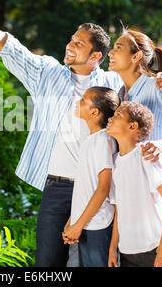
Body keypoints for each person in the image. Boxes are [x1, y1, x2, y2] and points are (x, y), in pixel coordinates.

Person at [0, 0, 162, 267]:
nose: (70, 46)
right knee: (47, 265)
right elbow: (6, 45)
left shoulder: (114, 83)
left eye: (79, 43)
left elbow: (140, 83)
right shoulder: (47, 72)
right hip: (57, 187)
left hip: (98, 189)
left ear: (96, 55)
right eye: (71, 40)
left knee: (97, 262)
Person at [107, 28, 162, 205]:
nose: (111, 52)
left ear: (136, 56)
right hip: (128, 187)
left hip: (156, 190)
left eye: (118, 47)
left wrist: (161, 145)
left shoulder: (159, 86)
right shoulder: (119, 94)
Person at [106, 101, 162, 267]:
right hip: (127, 250)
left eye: (117, 116)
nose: (110, 119)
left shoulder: (145, 154)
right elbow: (118, 208)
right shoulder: (114, 162)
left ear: (132, 126)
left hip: (153, 248)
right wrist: (113, 248)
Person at [61, 86, 119, 267]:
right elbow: (85, 187)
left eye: (83, 100)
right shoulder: (91, 140)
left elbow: (103, 189)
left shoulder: (103, 141)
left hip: (98, 225)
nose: (78, 102)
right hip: (86, 224)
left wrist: (78, 226)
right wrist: (73, 221)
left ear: (94, 112)